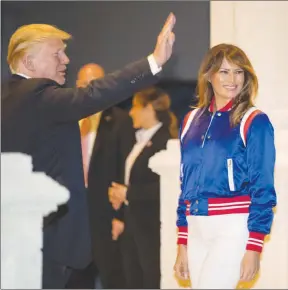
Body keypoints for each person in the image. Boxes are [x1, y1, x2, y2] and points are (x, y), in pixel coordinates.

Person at [1, 13, 176, 289]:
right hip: (47, 240)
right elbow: (94, 94)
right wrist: (153, 61)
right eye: (57, 54)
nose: (66, 61)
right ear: (29, 61)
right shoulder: (37, 96)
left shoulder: (8, 98)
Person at [173, 43, 277, 289]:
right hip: (196, 226)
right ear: (208, 75)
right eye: (224, 71)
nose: (233, 79)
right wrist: (182, 242)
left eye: (238, 72)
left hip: (232, 227)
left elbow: (263, 186)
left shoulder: (254, 121)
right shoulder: (190, 121)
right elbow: (184, 185)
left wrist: (254, 245)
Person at [108, 87, 178, 289]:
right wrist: (120, 197)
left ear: (148, 109)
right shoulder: (141, 139)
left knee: (150, 280)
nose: (130, 112)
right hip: (134, 224)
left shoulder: (166, 141)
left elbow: (166, 188)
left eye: (135, 107)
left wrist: (128, 193)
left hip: (151, 227)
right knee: (133, 280)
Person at [77, 63, 133, 288]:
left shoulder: (120, 120)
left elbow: (125, 169)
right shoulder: (69, 120)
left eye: (94, 84)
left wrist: (120, 215)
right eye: (83, 84)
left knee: (112, 276)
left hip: (106, 214)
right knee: (77, 277)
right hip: (74, 214)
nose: (88, 89)